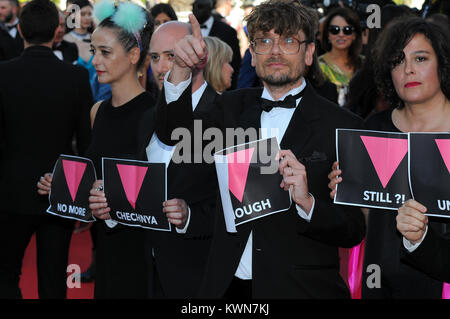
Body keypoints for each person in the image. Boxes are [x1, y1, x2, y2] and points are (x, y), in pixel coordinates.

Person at [156, 0, 365, 298]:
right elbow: (172, 133)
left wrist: (308, 203)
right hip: (227, 288)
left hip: (302, 289)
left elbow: (353, 229)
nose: (275, 51)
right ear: (252, 55)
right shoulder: (228, 108)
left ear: (308, 53)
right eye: (264, 41)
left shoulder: (342, 125)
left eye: (288, 40)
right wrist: (179, 70)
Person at [90, 20, 219, 298]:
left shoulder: (227, 115)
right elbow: (141, 196)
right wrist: (111, 207)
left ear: (198, 53)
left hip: (199, 277)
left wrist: (190, 217)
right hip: (144, 274)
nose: (161, 67)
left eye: (172, 56)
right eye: (156, 57)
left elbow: (236, 208)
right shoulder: (148, 116)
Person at [38, 0, 154, 298]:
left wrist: (113, 195)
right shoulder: (97, 111)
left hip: (141, 249)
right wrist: (62, 185)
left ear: (133, 55)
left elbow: (159, 189)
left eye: (105, 52)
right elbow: (94, 174)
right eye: (94, 50)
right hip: (104, 243)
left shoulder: (154, 114)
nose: (95, 60)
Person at [328, 17, 450, 298]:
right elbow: (367, 224)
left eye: (420, 59)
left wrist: (421, 238)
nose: (408, 70)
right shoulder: (374, 128)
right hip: (380, 281)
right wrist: (348, 194)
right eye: (398, 61)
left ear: (442, 63)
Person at [0, 0, 92, 298]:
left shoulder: (3, 74)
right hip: (60, 190)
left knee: (5, 274)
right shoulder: (75, 77)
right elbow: (87, 142)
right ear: (57, 32)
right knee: (55, 278)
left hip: (9, 193)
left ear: (21, 30)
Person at [319, 7, 363, 106]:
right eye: (335, 30)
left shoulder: (365, 64)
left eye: (347, 30)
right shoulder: (318, 67)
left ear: (354, 35)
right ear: (328, 35)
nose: (341, 34)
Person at [192, 0, 241, 90]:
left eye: (200, 6)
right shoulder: (185, 29)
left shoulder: (228, 32)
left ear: (210, 8)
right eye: (193, 7)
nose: (195, 10)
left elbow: (235, 64)